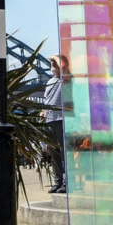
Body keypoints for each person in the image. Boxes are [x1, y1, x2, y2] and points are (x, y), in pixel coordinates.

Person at [43, 54, 69, 194]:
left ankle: (66, 182)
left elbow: (64, 68)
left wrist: (55, 56)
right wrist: (43, 112)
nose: (52, 63)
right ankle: (58, 181)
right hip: (49, 120)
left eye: (55, 62)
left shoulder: (65, 79)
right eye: (52, 61)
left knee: (63, 152)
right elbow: (47, 101)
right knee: (54, 154)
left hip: (60, 119)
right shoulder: (49, 82)